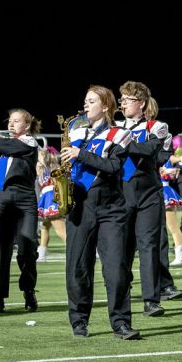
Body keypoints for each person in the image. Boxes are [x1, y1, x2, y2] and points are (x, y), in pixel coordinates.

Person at [60, 85, 139, 339]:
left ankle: (121, 323)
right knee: (78, 267)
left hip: (111, 207)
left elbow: (114, 166)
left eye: (91, 101)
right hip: (80, 205)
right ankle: (79, 321)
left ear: (105, 106)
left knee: (116, 267)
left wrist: (80, 154)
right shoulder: (75, 131)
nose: (85, 105)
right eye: (85, 100)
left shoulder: (120, 134)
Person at [116, 81, 182, 318]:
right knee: (121, 250)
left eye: (128, 99)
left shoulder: (158, 126)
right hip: (121, 192)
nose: (122, 103)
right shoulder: (114, 126)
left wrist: (120, 143)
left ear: (141, 103)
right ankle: (120, 297)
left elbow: (152, 150)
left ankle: (151, 300)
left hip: (148, 192)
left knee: (149, 247)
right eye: (121, 99)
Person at [0, 109, 41, 314]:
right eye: (9, 121)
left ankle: (28, 290)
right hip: (3, 200)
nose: (11, 125)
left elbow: (8, 146)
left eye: (16, 121)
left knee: (27, 247)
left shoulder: (28, 143)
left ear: (27, 125)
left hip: (25, 200)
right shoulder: (3, 147)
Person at [36, 147, 66, 262]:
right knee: (45, 226)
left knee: (60, 229)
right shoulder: (43, 168)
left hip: (51, 198)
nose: (38, 157)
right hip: (46, 198)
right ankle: (42, 253)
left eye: (40, 155)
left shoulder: (53, 168)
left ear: (45, 157)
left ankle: (77, 251)